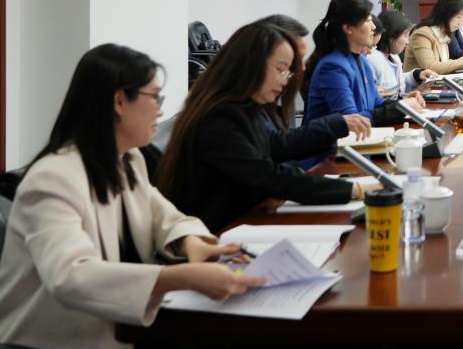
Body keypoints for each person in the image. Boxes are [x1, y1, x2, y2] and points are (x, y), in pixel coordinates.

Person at [0, 45, 264, 349]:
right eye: (155, 98)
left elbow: (163, 216)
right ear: (119, 101)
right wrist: (179, 277)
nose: (161, 111)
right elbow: (71, 276)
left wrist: (191, 243)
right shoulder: (52, 179)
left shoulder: (127, 159)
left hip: (117, 334)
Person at [158, 22, 376, 232]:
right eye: (281, 69)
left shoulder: (244, 107)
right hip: (219, 234)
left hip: (246, 222)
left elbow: (273, 146)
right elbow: (268, 177)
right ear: (251, 64)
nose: (285, 80)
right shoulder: (218, 118)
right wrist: (355, 189)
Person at [254, 13, 373, 163]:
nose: (302, 67)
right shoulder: (333, 65)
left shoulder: (360, 61)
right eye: (283, 66)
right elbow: (274, 145)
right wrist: (336, 124)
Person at [301, 0, 415, 130]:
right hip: (333, 143)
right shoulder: (332, 67)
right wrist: (400, 108)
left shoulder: (361, 60)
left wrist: (405, 103)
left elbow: (377, 102)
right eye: (368, 21)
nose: (373, 27)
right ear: (348, 28)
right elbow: (352, 120)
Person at [365, 9, 436, 96]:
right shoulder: (373, 60)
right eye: (405, 36)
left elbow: (397, 82)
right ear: (391, 36)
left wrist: (417, 75)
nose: (407, 42)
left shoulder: (393, 56)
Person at [406, 0, 463, 75]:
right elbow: (429, 68)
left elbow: (442, 63)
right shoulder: (422, 34)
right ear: (446, 13)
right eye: (458, 17)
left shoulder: (442, 33)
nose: (460, 23)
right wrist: (461, 63)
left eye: (462, 18)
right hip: (422, 83)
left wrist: (461, 62)